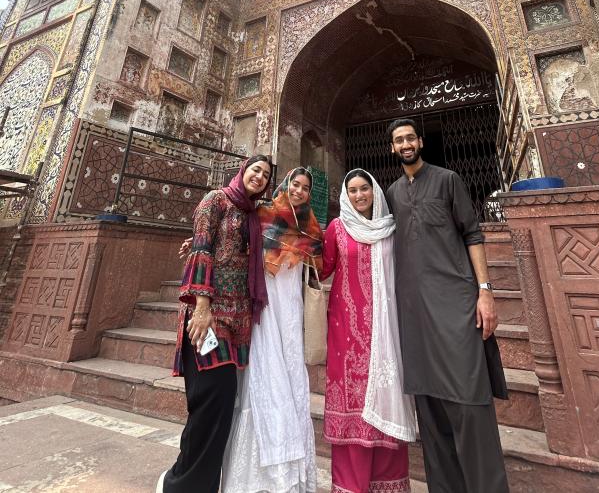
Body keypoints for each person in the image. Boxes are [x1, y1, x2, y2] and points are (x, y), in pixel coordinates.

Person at [386, 118, 509, 493]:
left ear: (420, 141)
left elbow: (472, 233)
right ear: (392, 148)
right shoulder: (391, 193)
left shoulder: (447, 179)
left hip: (456, 301)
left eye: (410, 137)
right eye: (398, 140)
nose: (405, 144)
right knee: (430, 405)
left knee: (469, 400)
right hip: (414, 310)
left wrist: (484, 290)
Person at [160, 155, 273, 493]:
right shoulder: (217, 199)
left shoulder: (253, 216)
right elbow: (202, 248)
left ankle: (196, 483)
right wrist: (202, 306)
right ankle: (180, 484)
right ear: (243, 171)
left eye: (266, 175)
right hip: (207, 319)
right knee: (209, 403)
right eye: (255, 170)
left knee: (221, 409)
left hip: (236, 322)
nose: (260, 177)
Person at [222, 167, 324, 493]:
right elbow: (236, 237)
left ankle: (292, 463)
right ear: (284, 185)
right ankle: (261, 468)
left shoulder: (310, 226)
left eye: (305, 187)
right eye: (294, 184)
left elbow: (320, 261)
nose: (298, 191)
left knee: (290, 370)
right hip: (266, 302)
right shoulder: (264, 213)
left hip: (291, 307)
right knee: (266, 373)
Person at [320, 168, 416, 493]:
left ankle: (388, 484)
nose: (359, 195)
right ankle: (351, 485)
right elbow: (320, 268)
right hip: (346, 336)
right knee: (353, 407)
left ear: (375, 192)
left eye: (365, 189)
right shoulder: (337, 228)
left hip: (387, 333)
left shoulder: (390, 229)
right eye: (353, 191)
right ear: (345, 196)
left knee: (387, 399)